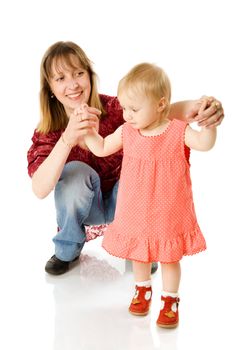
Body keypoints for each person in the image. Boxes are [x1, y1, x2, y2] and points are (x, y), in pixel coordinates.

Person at [27, 41, 224, 277]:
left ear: (89, 76)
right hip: (87, 209)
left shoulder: (116, 107)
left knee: (137, 177)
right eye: (61, 78)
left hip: (132, 207)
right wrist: (67, 139)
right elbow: (39, 189)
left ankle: (140, 249)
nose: (73, 85)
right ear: (49, 87)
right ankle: (67, 249)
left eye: (79, 73)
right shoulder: (47, 133)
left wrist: (202, 107)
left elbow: (159, 112)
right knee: (75, 172)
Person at [82, 62, 217, 328]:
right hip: (136, 208)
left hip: (169, 208)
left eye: (134, 109)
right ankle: (142, 289)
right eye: (123, 108)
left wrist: (209, 125)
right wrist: (88, 131)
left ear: (160, 104)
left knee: (169, 258)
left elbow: (205, 143)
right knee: (139, 255)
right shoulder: (127, 132)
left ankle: (170, 299)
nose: (126, 115)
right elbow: (100, 148)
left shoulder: (177, 131)